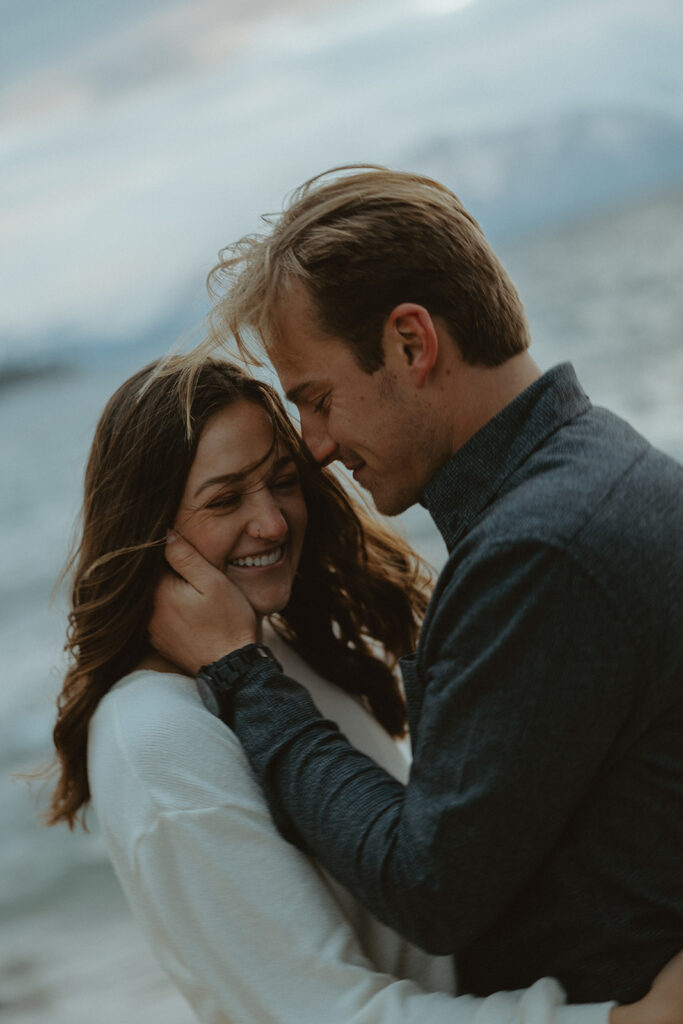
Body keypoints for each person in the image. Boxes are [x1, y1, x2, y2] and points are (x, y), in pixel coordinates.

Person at [149, 167, 683, 1009]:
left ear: (410, 343)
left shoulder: (540, 550)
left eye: (318, 400)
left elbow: (429, 888)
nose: (316, 446)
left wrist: (241, 673)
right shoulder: (598, 467)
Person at [47, 355, 654, 1024]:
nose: (273, 523)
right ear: (147, 530)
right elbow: (330, 1014)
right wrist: (622, 1020)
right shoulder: (155, 737)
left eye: (282, 482)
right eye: (225, 499)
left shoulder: (268, 653)